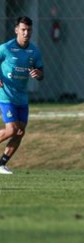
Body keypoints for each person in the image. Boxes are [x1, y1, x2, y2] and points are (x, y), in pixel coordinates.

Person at [0, 16, 44, 175]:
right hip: (6, 95)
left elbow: (41, 74)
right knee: (11, 129)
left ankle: (1, 164)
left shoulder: (34, 51)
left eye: (29, 30)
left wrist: (38, 73)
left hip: (22, 98)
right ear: (16, 30)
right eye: (23, 29)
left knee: (20, 132)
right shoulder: (6, 48)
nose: (26, 33)